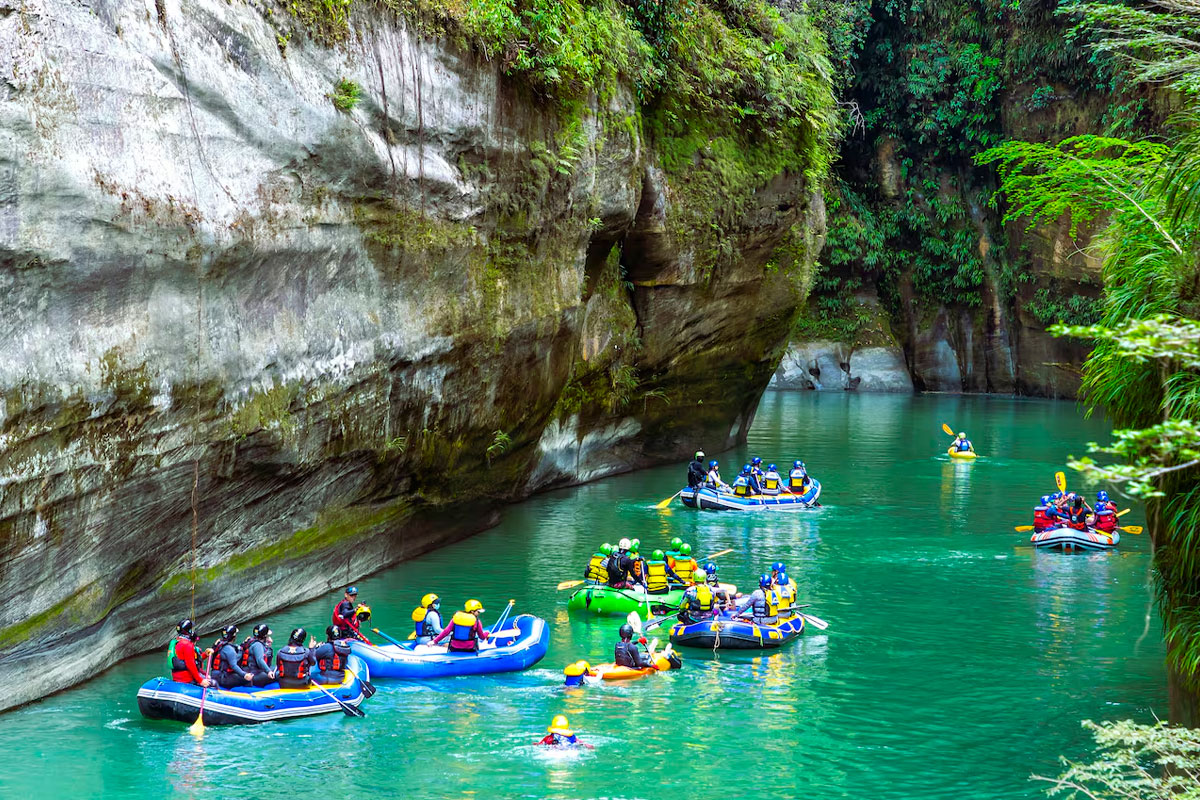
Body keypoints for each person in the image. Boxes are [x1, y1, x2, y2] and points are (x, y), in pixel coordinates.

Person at [168, 619, 213, 687]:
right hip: (187, 679)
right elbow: (191, 664)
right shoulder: (187, 645)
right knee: (214, 683)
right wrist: (200, 681)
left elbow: (192, 659)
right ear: (188, 630)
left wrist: (205, 654)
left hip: (177, 678)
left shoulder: (176, 642)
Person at [211, 624, 256, 689]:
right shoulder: (229, 649)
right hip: (222, 677)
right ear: (233, 636)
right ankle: (246, 693)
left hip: (216, 675)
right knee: (247, 680)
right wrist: (244, 675)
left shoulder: (219, 644)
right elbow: (233, 665)